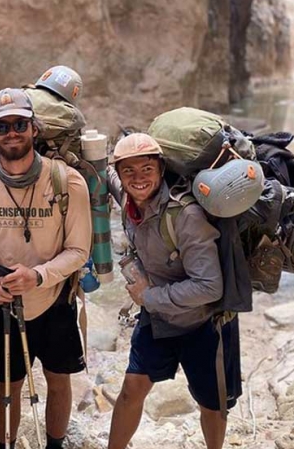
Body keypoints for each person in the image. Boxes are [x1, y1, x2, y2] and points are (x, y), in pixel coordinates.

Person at [0, 88, 92, 449]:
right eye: (2, 127)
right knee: (8, 384)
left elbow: (80, 250)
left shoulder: (68, 182)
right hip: (4, 301)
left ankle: (54, 444)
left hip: (56, 297)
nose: (12, 132)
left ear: (34, 128)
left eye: (20, 123)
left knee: (59, 378)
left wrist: (38, 275)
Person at [107, 133, 242, 449]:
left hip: (204, 324)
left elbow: (210, 286)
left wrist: (148, 297)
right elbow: (107, 176)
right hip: (159, 320)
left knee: (212, 404)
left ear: (160, 168)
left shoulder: (185, 215)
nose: (138, 178)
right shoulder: (129, 200)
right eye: (129, 171)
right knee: (131, 389)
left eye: (146, 169)